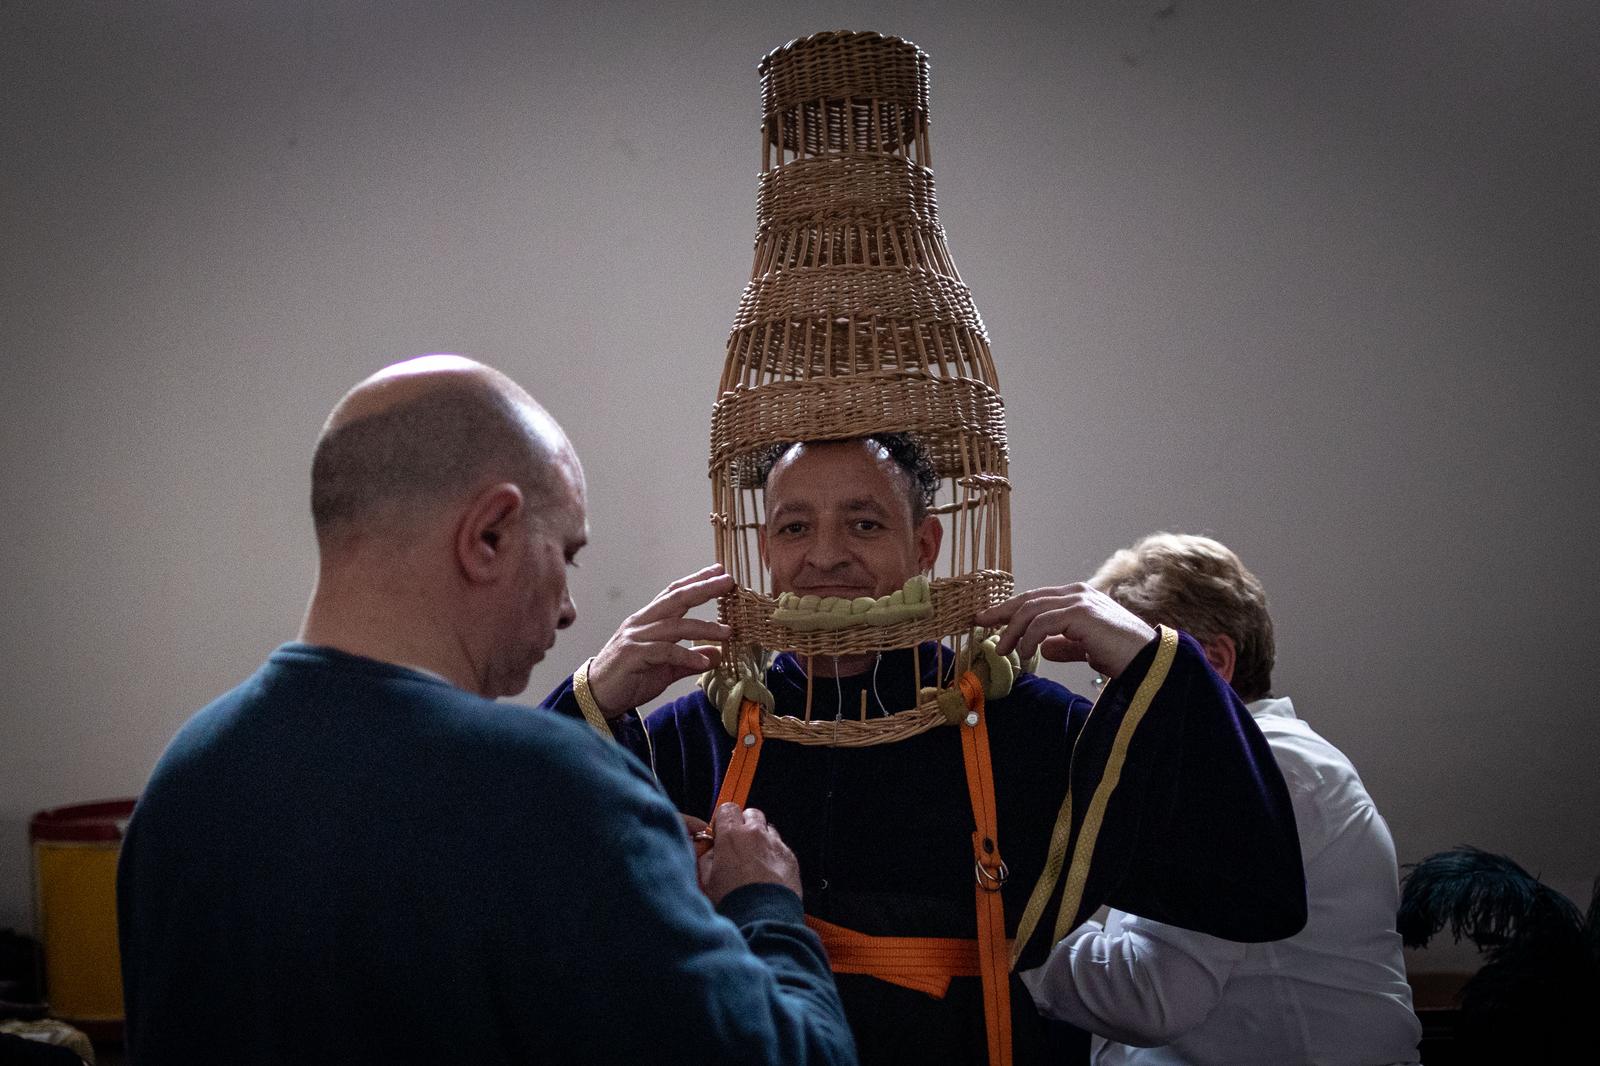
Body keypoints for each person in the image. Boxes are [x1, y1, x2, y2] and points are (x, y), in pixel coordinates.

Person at [116, 355, 857, 1066]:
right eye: (565, 556)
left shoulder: (183, 780)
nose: (570, 611)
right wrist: (763, 903)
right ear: (489, 535)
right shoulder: (556, 792)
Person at [541, 437, 1307, 1065]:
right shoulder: (700, 733)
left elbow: (1253, 889)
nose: (826, 556)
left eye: (865, 524)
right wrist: (591, 697)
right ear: (764, 548)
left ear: (925, 545)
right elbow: (526, 896)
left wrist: (1155, 663)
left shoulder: (1029, 727)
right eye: (794, 526)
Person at [1020, 532, 1421, 1065]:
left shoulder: (1274, 768)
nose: (1106, 704)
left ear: (1212, 662)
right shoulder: (1252, 766)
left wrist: (999, 933)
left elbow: (1151, 997)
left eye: (1116, 677)